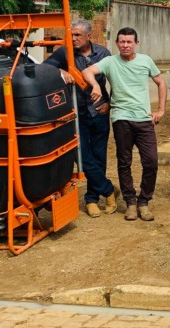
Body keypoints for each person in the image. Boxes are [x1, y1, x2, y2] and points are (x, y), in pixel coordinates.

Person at [84, 27, 167, 222]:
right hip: (121, 118)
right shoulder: (110, 61)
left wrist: (161, 110)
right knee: (124, 162)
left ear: (136, 43)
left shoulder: (145, 60)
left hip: (144, 119)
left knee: (151, 162)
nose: (125, 45)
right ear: (117, 43)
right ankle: (130, 203)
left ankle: (144, 202)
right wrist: (96, 85)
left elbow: (161, 83)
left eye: (129, 41)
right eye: (122, 41)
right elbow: (86, 71)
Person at [44, 19, 117, 218]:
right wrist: (61, 70)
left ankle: (92, 198)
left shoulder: (103, 54)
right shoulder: (63, 53)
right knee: (83, 158)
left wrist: (108, 103)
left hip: (99, 113)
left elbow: (114, 82)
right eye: (71, 35)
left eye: (77, 35)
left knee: (99, 155)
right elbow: (45, 69)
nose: (73, 39)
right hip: (76, 115)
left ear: (89, 36)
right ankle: (108, 189)